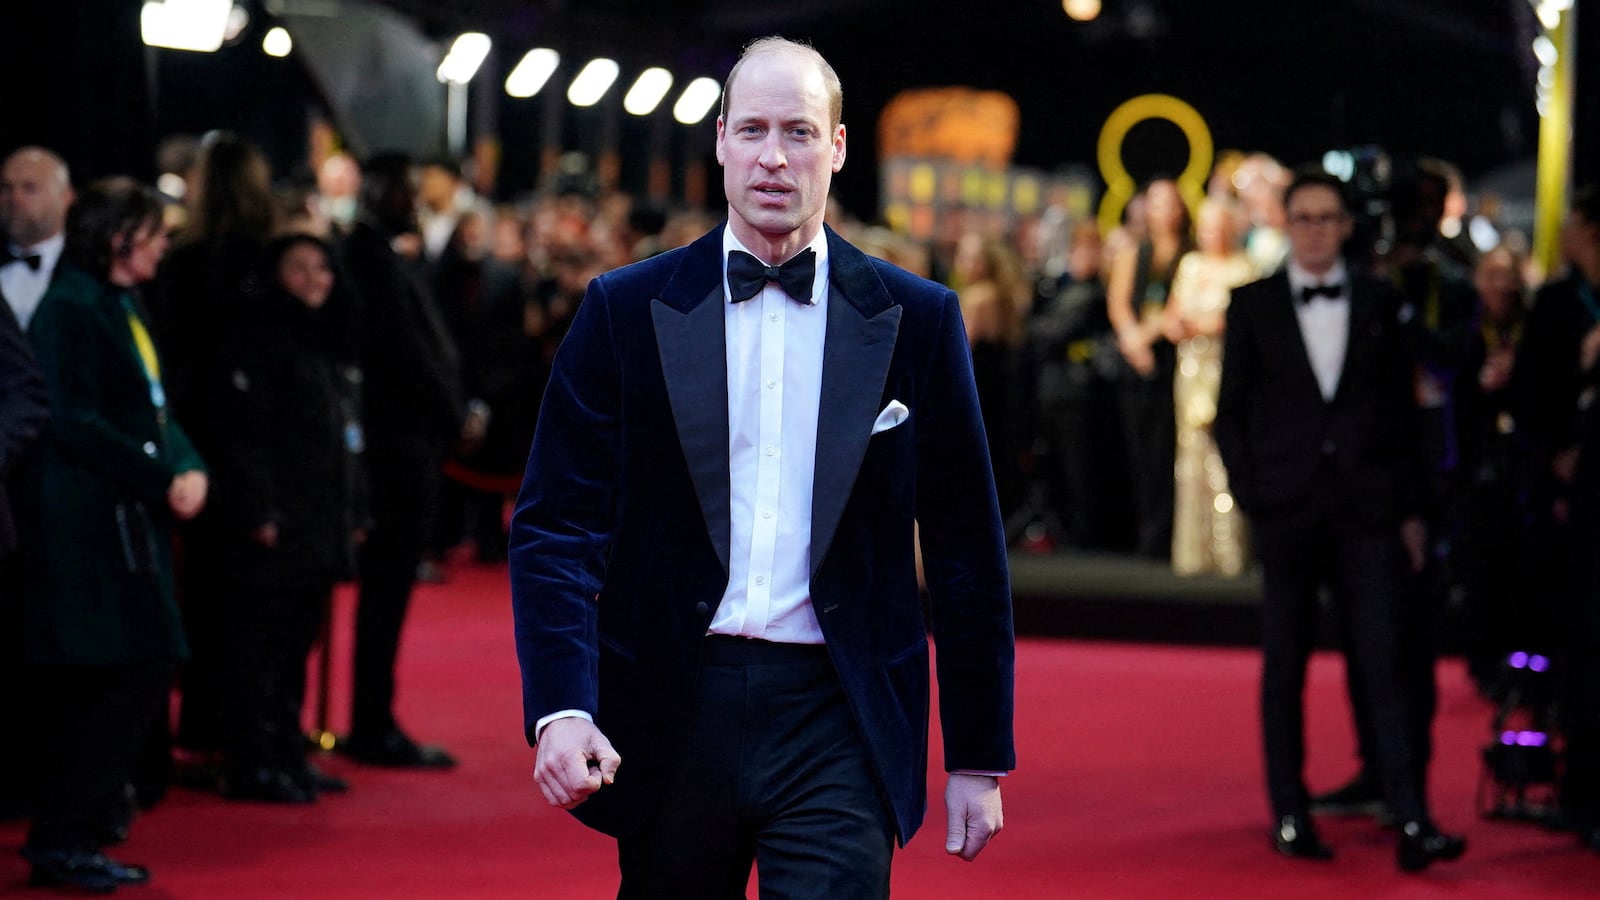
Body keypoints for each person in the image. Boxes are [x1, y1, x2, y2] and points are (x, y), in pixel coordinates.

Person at [510, 37, 1015, 897]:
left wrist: (978, 754)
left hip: (841, 711)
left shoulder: (918, 320)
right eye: (752, 130)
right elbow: (556, 524)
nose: (774, 157)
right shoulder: (625, 311)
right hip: (673, 703)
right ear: (719, 141)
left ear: (840, 146)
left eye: (799, 132)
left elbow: (967, 548)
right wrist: (561, 705)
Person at [1213, 168, 1465, 870]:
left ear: (1347, 226)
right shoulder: (1253, 304)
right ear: (1287, 225)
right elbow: (1230, 415)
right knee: (1284, 666)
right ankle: (1289, 811)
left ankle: (1411, 815)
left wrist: (1412, 509)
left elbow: (1406, 418)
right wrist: (1254, 493)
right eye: (1305, 217)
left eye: (1328, 217)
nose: (1317, 229)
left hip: (1369, 511)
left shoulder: (1383, 302)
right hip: (1288, 510)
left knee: (1385, 664)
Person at [18, 176, 208, 892]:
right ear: (120, 237)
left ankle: (74, 828)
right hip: (87, 528)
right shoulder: (71, 307)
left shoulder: (119, 302)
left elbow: (153, 411)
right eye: (155, 233)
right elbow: (73, 420)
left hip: (125, 521)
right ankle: (63, 835)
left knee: (130, 671)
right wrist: (164, 477)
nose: (165, 244)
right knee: (124, 674)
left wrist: (186, 464)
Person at [213, 233, 366, 803]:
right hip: (276, 519)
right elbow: (244, 436)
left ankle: (286, 752)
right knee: (261, 647)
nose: (313, 278)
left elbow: (347, 437)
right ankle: (252, 760)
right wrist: (258, 509)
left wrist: (356, 509)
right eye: (298, 268)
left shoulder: (330, 339)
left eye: (321, 267)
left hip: (319, 516)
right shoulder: (259, 340)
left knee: (298, 643)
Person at [335, 152, 463, 769]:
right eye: (405, 189)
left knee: (387, 594)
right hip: (394, 447)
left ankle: (373, 718)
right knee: (384, 593)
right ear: (379, 190)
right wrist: (452, 412)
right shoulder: (368, 258)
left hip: (404, 441)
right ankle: (370, 723)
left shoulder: (378, 254)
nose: (414, 200)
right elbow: (407, 355)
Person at [1162, 198, 1255, 576]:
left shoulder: (1244, 268)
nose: (1211, 232)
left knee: (1223, 459)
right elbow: (1170, 315)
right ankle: (1192, 554)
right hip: (1190, 370)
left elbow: (1241, 322)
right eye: (1207, 225)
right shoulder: (1190, 265)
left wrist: (1200, 324)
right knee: (1191, 460)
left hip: (1225, 371)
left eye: (1219, 225)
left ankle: (1229, 554)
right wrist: (1178, 326)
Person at [1107, 177, 1193, 559]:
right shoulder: (1134, 251)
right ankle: (1143, 529)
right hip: (1135, 361)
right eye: (1155, 203)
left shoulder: (1191, 253)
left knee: (1167, 450)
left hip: (1175, 360)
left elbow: (1181, 305)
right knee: (1138, 449)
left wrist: (1145, 334)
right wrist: (1132, 339)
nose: (1163, 211)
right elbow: (1119, 302)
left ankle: (1166, 536)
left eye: (1169, 203)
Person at [1, 146, 73, 328]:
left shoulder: (87, 267)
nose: (15, 198)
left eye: (30, 188)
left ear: (66, 197)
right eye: (6, 188)